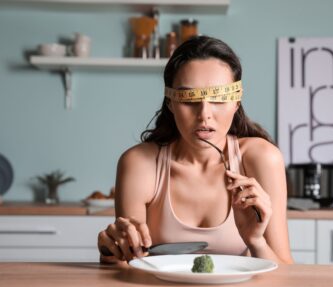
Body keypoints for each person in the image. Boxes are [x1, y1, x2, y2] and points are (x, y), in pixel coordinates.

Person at [97, 36, 293, 264]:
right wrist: (111, 252)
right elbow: (128, 266)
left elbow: (285, 275)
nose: (204, 115)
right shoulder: (140, 163)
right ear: (170, 103)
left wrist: (256, 241)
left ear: (236, 102)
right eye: (189, 100)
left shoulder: (262, 159)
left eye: (219, 98)